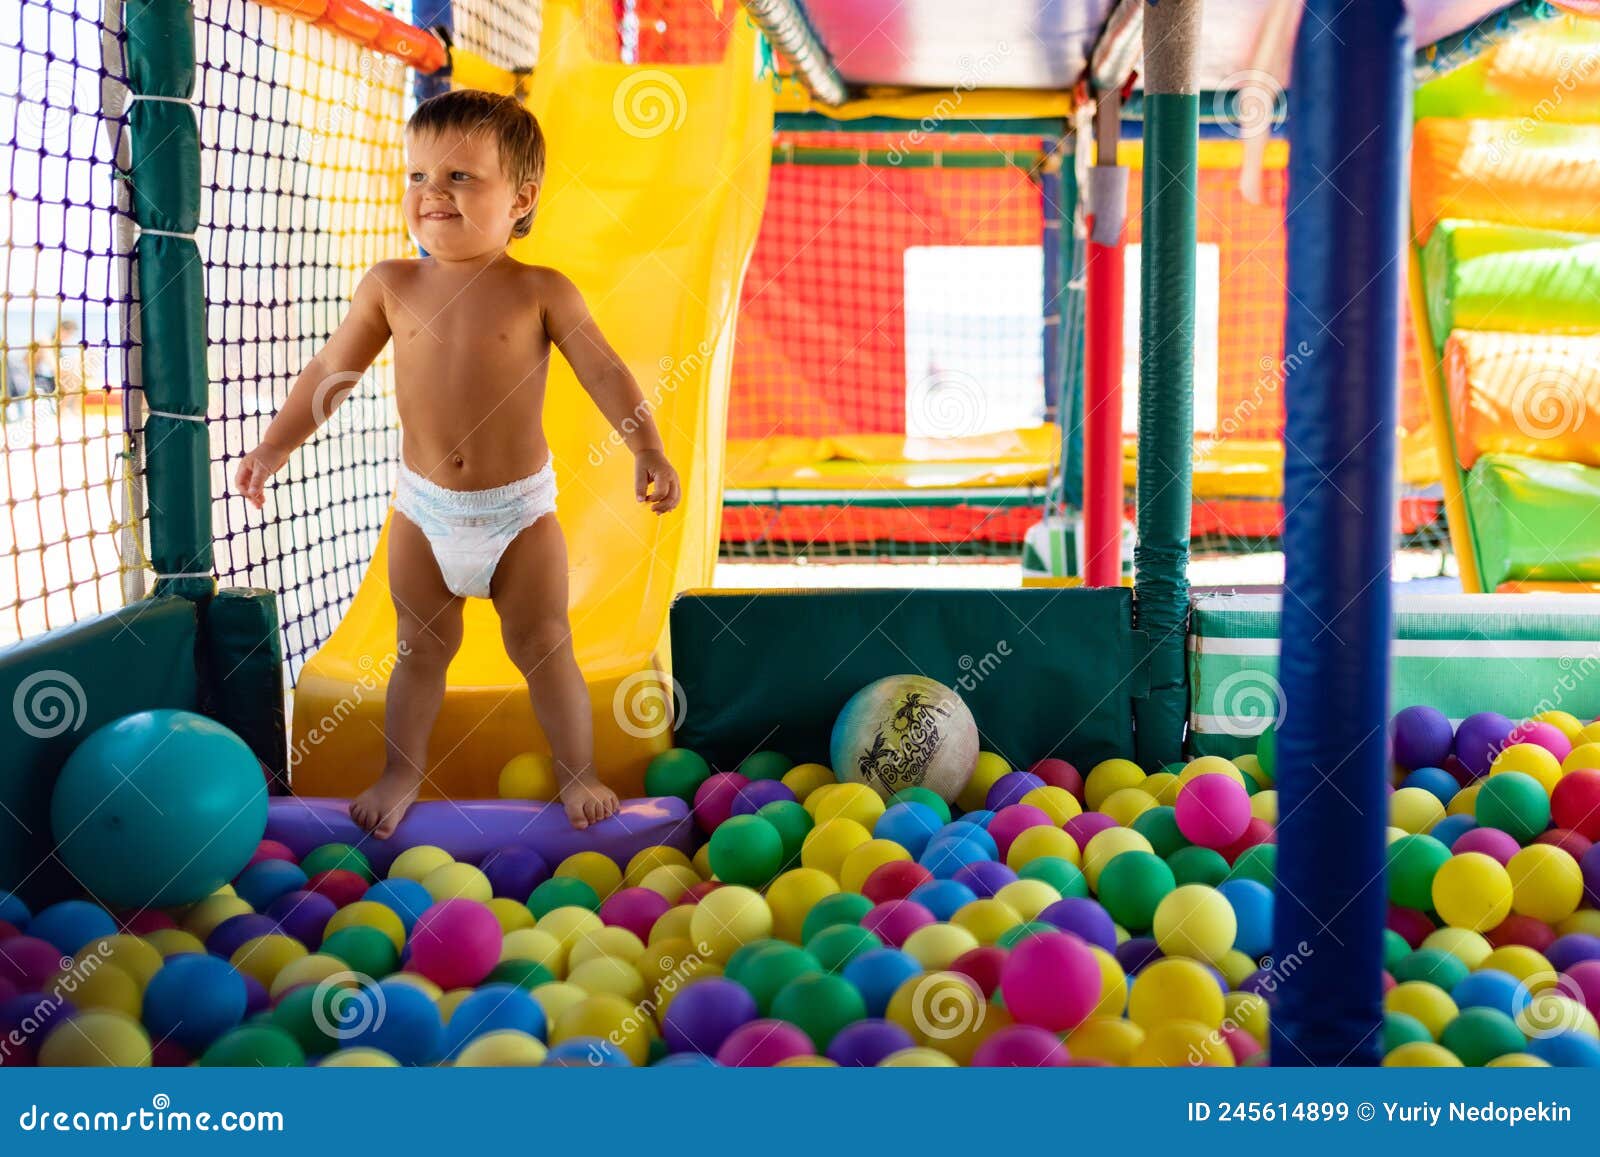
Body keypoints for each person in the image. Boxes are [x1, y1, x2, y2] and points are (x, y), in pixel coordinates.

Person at [233, 90, 681, 837]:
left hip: (518, 513)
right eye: (417, 176)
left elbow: (605, 371)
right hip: (424, 509)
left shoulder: (540, 290)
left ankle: (578, 774)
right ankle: (400, 772)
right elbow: (329, 377)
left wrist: (647, 445)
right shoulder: (391, 286)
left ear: (522, 199)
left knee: (544, 644)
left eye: (460, 178)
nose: (431, 192)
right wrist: (274, 447)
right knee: (419, 650)